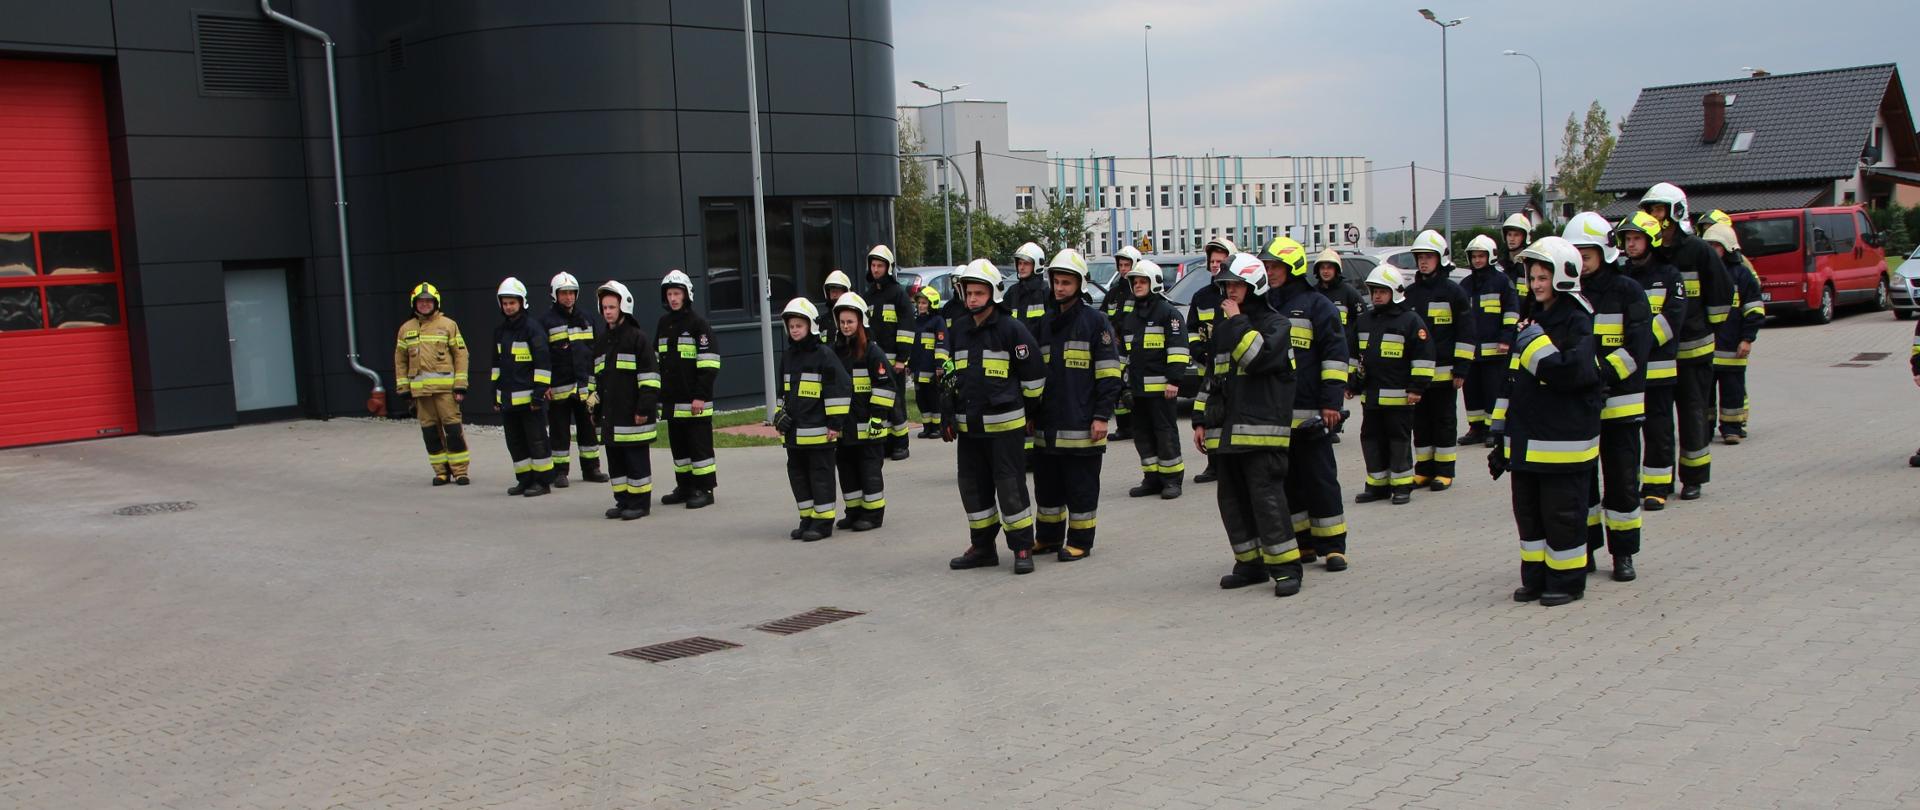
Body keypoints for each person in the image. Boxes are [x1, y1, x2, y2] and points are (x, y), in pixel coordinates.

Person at [1488, 237, 1602, 608]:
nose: (1535, 284)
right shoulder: (1533, 317)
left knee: (1562, 516)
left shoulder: (1577, 319)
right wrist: (1499, 433)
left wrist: (1535, 345)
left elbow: (1573, 372)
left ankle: (1568, 582)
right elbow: (1512, 381)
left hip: (1562, 445)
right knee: (1529, 517)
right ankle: (1535, 579)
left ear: (1564, 275)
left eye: (1542, 277)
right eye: (1532, 277)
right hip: (1527, 441)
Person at [1194, 253, 1301, 596]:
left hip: (1261, 435)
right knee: (1233, 502)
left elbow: (1255, 358)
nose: (1229, 291)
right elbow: (1213, 376)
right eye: (1226, 285)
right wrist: (1199, 419)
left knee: (1266, 502)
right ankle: (1250, 564)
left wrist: (1238, 320)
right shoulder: (1226, 327)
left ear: (1253, 285)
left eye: (1236, 284)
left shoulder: (1277, 325)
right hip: (1226, 433)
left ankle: (1286, 569)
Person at [943, 259, 1047, 574]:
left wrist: (1031, 412)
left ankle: (1022, 548)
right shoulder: (958, 328)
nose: (972, 298)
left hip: (1005, 430)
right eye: (968, 292)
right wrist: (948, 412)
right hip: (970, 428)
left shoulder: (1011, 329)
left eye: (978, 293)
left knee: (1010, 488)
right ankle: (983, 547)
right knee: (972, 489)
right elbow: (950, 374)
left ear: (993, 294)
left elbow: (1034, 377)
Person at [1565, 212, 1652, 582]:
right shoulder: (1568, 296)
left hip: (1620, 404)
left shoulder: (1628, 291)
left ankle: (1624, 554)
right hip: (1580, 407)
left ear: (1604, 252)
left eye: (1587, 255)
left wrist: (1602, 374)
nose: (1581, 264)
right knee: (1581, 485)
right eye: (1576, 256)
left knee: (1621, 484)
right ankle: (1585, 550)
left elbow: (1638, 345)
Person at [1640, 182, 1732, 501]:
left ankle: (1693, 477)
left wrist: (1707, 328)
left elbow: (1722, 295)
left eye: (1659, 210)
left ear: (1676, 212)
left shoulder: (1699, 251)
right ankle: (1659, 479)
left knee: (1692, 414)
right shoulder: (1650, 257)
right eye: (1650, 211)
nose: (1654, 217)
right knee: (1657, 420)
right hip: (1660, 355)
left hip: (1695, 351)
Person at [1265, 238, 1352, 570]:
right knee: (1288, 482)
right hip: (1277, 415)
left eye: (1276, 267)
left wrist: (1331, 403)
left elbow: (1335, 356)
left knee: (1320, 479)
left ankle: (1333, 545)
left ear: (1293, 268)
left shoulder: (1319, 306)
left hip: (1313, 413)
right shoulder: (1267, 305)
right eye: (1268, 267)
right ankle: (1303, 543)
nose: (1270, 272)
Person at [1031, 248, 1123, 561]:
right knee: (1047, 487)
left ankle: (1081, 541)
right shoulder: (1044, 323)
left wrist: (1101, 416)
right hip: (1048, 424)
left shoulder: (1096, 322)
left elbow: (1110, 375)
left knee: (1081, 487)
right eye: (1056, 281)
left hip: (1083, 423)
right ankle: (1047, 538)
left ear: (1079, 284)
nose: (1059, 288)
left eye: (1066, 282)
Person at [1615, 211, 1688, 512]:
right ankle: (1631, 484)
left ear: (1651, 241)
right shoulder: (1620, 277)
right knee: (1629, 432)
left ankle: (1658, 485)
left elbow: (1673, 320)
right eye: (1628, 239)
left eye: (1636, 239)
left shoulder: (1670, 276)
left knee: (1658, 429)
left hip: (1658, 368)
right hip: (1630, 369)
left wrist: (1640, 342)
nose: (1631, 245)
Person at [1349, 265, 1433, 505]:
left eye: (1381, 291)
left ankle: (1402, 485)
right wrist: (1351, 384)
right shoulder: (1364, 321)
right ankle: (1377, 486)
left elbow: (1423, 357)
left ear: (1395, 292)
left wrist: (1417, 388)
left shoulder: (1410, 321)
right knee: (1371, 440)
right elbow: (1353, 356)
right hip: (1371, 398)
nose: (1376, 296)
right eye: (1373, 291)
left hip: (1400, 399)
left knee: (1398, 441)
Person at [1402, 229, 1476, 491]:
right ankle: (1424, 470)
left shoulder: (1453, 292)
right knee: (1420, 423)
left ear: (1440, 258)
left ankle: (1444, 471)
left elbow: (1466, 332)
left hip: (1446, 372)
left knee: (1444, 421)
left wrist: (1462, 369)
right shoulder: (1409, 293)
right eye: (1420, 257)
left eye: (1428, 257)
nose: (1423, 261)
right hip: (1418, 376)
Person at [774, 298, 850, 541]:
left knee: (820, 477)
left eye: (799, 325)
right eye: (792, 326)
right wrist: (779, 416)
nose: (795, 329)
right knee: (798, 476)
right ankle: (807, 517)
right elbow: (782, 393)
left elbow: (839, 387)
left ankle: (823, 521)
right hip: (794, 435)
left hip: (819, 433)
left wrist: (835, 424)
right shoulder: (787, 357)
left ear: (810, 326)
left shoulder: (824, 355)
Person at [586, 280, 660, 520]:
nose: (607, 311)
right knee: (616, 462)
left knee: (636, 461)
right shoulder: (601, 343)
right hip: (611, 416)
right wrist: (593, 405)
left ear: (623, 307)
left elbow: (650, 379)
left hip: (633, 415)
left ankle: (640, 503)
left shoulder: (637, 339)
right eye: (604, 307)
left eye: (612, 307)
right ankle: (623, 500)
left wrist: (644, 409)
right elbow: (595, 380)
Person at [1119, 258, 1189, 499]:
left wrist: (1174, 381)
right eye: (1135, 282)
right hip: (1138, 390)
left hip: (1162, 389)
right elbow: (1124, 355)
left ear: (1154, 283)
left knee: (1165, 433)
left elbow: (1178, 348)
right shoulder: (1131, 317)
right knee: (1142, 434)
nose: (1137, 285)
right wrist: (1123, 385)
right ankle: (1152, 477)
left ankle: (1172, 479)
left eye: (1142, 281)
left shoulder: (1168, 314)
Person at [393, 282, 471, 486]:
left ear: (436, 303)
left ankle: (460, 471)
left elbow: (461, 356)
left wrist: (460, 385)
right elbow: (400, 360)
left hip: (445, 391)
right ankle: (441, 472)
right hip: (420, 394)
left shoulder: (448, 325)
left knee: (453, 431)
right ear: (414, 304)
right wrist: (403, 389)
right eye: (421, 301)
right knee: (430, 434)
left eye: (429, 301)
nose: (425, 305)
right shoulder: (406, 329)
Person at [828, 291, 894, 532]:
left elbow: (886, 386)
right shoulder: (835, 352)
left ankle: (873, 514)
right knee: (846, 470)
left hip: (868, 425)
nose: (846, 326)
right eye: (842, 322)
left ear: (861, 322)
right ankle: (854, 512)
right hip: (845, 425)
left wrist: (878, 418)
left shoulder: (872, 352)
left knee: (869, 471)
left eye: (850, 322)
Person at [655, 269, 719, 508]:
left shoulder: (698, 325)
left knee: (699, 448)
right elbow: (656, 360)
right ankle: (685, 487)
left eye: (677, 293)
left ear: (686, 295)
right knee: (679, 449)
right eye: (670, 293)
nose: (673, 298)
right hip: (673, 402)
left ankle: (705, 490)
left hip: (695, 403)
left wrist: (700, 396)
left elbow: (710, 364)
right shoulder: (663, 324)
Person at [1700, 214, 1765, 443]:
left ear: (1727, 247)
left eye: (1715, 245)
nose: (1711, 249)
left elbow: (1754, 309)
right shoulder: (1701, 273)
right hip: (1706, 349)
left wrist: (1747, 339)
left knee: (1733, 392)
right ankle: (1703, 430)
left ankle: (1732, 428)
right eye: (1708, 245)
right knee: (1703, 395)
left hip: (1732, 349)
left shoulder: (1742, 274)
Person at [535, 272, 603, 489]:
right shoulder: (545, 322)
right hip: (559, 388)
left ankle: (591, 468)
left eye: (572, 293)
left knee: (588, 428)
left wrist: (597, 381)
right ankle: (560, 472)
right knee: (559, 431)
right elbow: (542, 356)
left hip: (585, 387)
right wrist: (544, 384)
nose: (568, 297)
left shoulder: (587, 318)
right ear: (555, 295)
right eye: (564, 293)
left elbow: (597, 350)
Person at [491, 277, 554, 497]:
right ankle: (524, 479)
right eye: (505, 303)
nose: (508, 307)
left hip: (530, 402)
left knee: (537, 442)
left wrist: (538, 395)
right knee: (515, 443)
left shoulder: (532, 328)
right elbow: (496, 366)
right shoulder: (501, 331)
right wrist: (495, 395)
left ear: (521, 303)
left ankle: (542, 482)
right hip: (508, 401)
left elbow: (543, 363)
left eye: (512, 303)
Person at [1185, 236, 1239, 484]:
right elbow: (1192, 330)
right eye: (1212, 260)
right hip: (1206, 367)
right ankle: (1213, 464)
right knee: (1210, 414)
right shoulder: (1201, 296)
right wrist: (1200, 353)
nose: (1215, 264)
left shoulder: (1237, 293)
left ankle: (1232, 462)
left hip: (1234, 366)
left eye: (1221, 260)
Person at [1457, 234, 1518, 447]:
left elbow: (1511, 312)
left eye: (1481, 256)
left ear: (1490, 256)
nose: (1477, 260)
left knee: (1493, 391)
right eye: (1474, 257)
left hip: (1495, 351)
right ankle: (1476, 428)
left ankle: (1494, 430)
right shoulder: (1465, 284)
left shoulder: (1502, 282)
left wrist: (1506, 339)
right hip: (1471, 351)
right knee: (1471, 391)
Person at [863, 245, 916, 461]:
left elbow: (906, 329)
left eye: (880, 266)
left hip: (895, 361)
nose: (876, 269)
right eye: (873, 265)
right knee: (878, 402)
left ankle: (901, 444)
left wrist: (903, 359)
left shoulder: (898, 295)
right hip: (874, 361)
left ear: (888, 268)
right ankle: (884, 443)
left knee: (896, 403)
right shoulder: (868, 296)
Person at [1312, 249, 1367, 445]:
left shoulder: (1348, 293)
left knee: (1337, 385)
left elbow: (1362, 320)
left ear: (1337, 270)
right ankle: (1321, 423)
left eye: (1330, 267)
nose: (1326, 271)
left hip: (1342, 348)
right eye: (1323, 267)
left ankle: (1334, 426)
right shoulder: (1314, 293)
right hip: (1318, 348)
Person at [1106, 245, 1144, 442]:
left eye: (1127, 264)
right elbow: (1104, 315)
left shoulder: (1137, 289)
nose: (1123, 269)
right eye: (1120, 265)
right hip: (1115, 344)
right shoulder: (1114, 292)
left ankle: (1137, 424)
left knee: (1131, 384)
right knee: (1118, 384)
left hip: (1133, 345)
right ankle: (1123, 427)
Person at [909, 285, 949, 439]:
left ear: (932, 304)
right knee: (921, 399)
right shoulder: (916, 322)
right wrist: (908, 365)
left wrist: (940, 365)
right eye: (919, 303)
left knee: (934, 399)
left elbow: (942, 344)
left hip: (932, 369)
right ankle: (926, 427)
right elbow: (911, 345)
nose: (920, 306)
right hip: (918, 369)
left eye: (924, 303)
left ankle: (937, 427)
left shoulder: (937, 321)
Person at [1004, 241, 1050, 334]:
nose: (1021, 267)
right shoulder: (1012, 292)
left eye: (1026, 263)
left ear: (1037, 264)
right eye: (1020, 263)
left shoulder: (1045, 291)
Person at [1496, 213, 1534, 316]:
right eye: (1509, 234)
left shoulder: (1531, 267)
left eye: (1516, 235)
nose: (1511, 239)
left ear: (1525, 237)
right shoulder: (1499, 267)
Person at [818, 269, 853, 338]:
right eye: (832, 291)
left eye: (837, 291)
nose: (834, 295)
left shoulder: (856, 317)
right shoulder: (822, 321)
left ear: (846, 292)